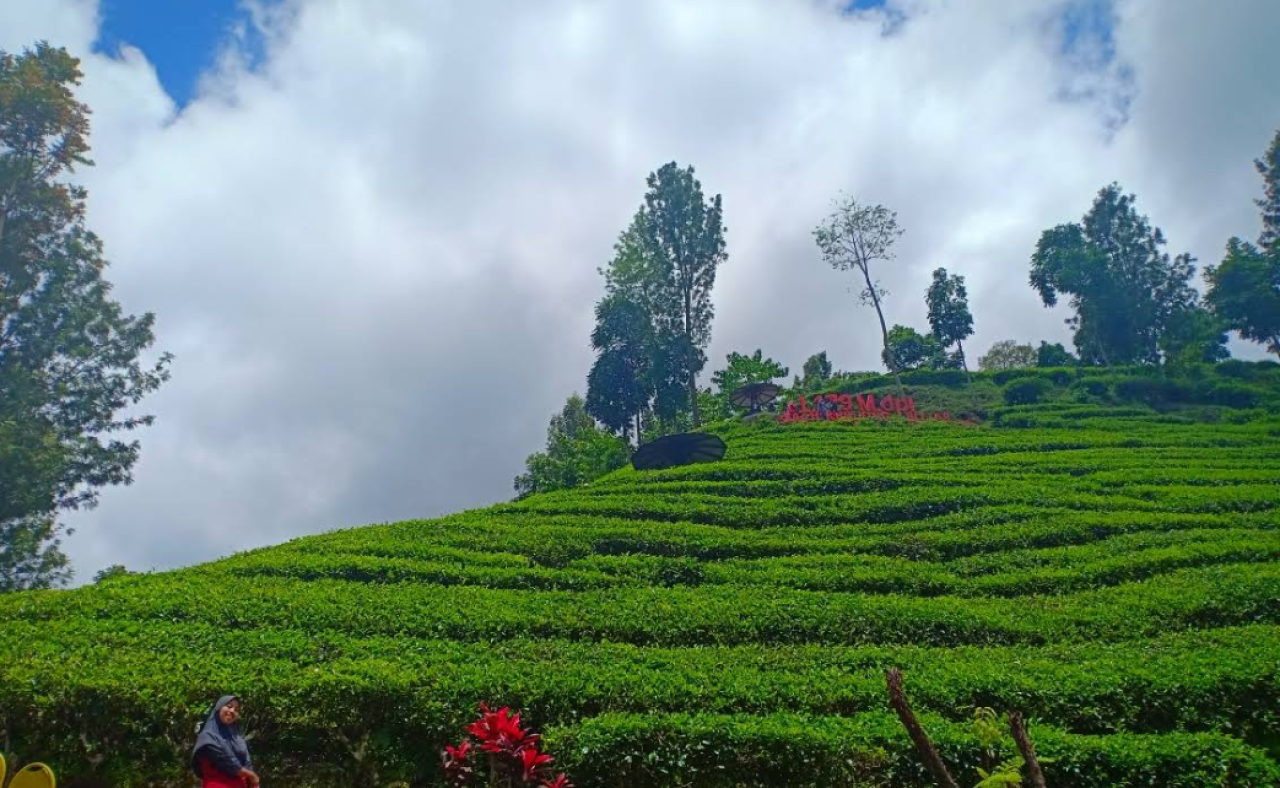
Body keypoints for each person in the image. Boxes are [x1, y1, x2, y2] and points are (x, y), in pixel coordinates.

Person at [191, 696, 260, 788]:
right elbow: (229, 764)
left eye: (236, 709)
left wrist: (254, 783)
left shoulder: (237, 739)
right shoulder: (208, 737)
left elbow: (247, 762)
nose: (232, 711)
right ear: (219, 708)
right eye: (229, 706)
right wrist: (252, 775)